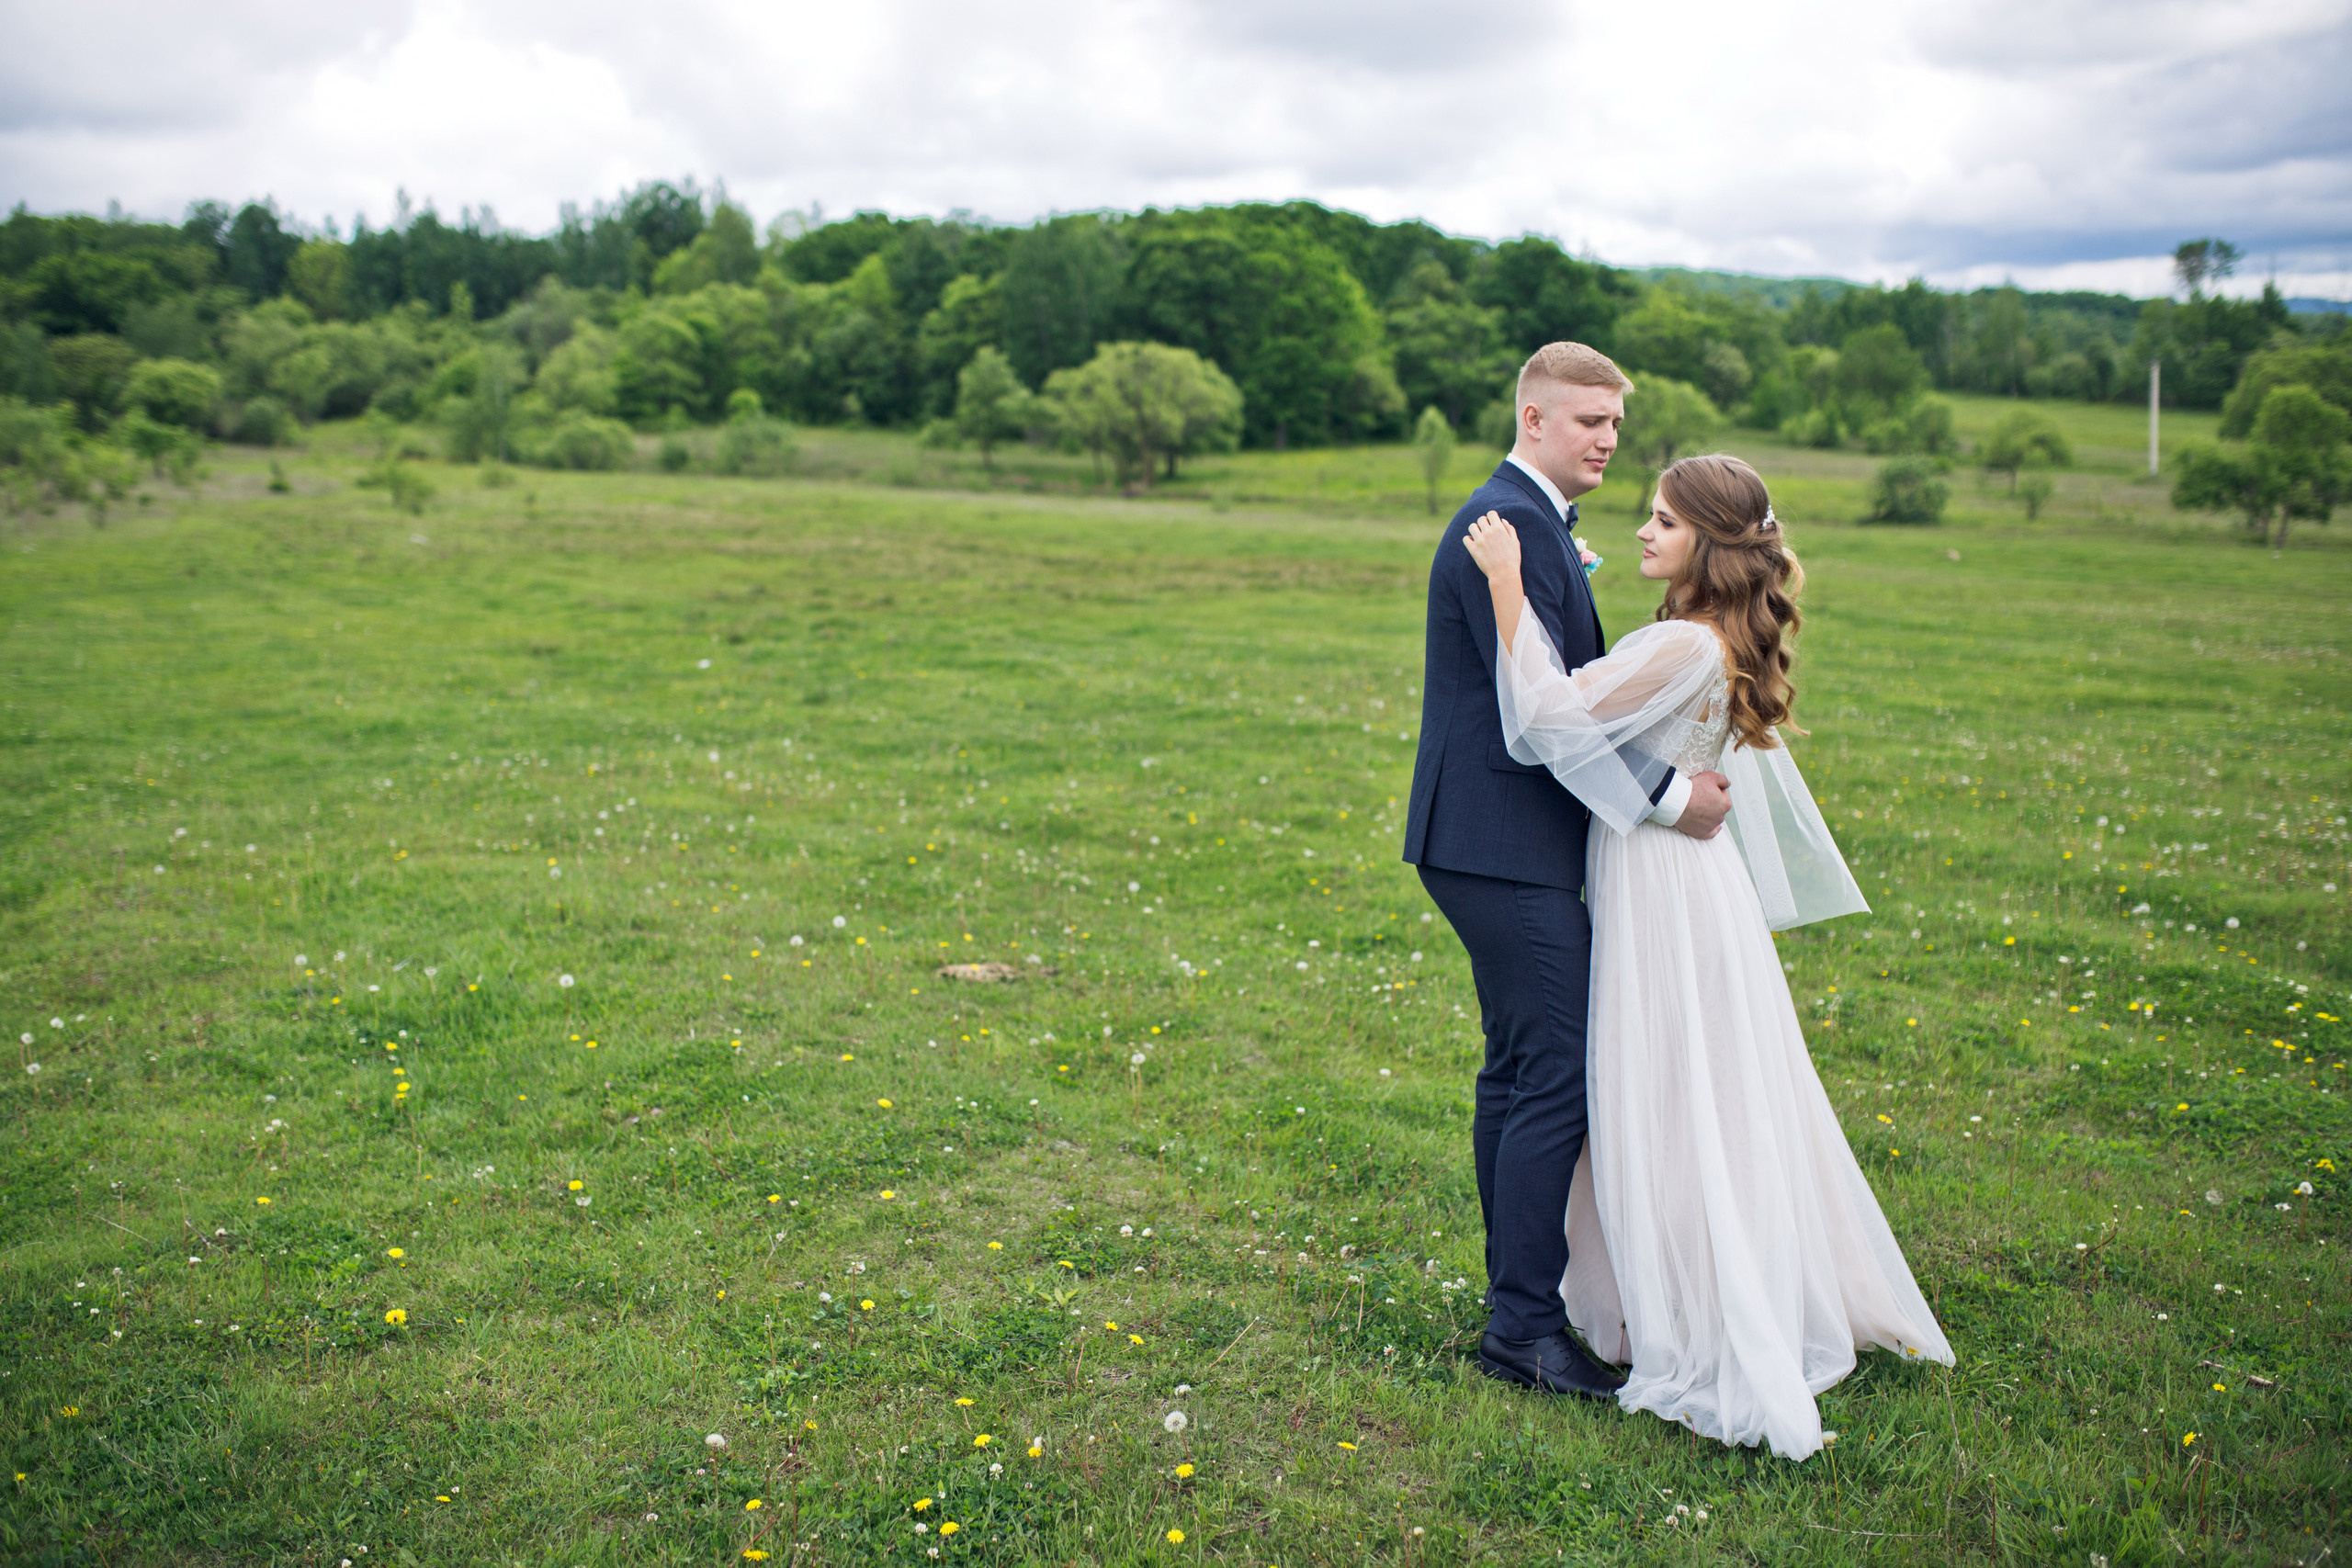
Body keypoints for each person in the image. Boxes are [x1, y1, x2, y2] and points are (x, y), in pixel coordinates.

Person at [1458, 450, 1953, 1461]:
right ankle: (1678, 1281)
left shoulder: (1685, 643)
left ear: (1713, 547)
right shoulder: (1705, 636)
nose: (1644, 531)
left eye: (1665, 521)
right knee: (1699, 1089)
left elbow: (1547, 716)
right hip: (1688, 879)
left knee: (1673, 1090)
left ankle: (1695, 1303)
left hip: (1664, 891)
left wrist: (1511, 584)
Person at [1403, 344, 1732, 1401]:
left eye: (1615, 424)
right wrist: (1674, 799)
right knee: (1554, 1073)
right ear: (1534, 419)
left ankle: (1518, 1310)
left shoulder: (1533, 525)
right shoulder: (1504, 527)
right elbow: (1545, 722)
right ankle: (1524, 1330)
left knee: (1519, 1070)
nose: (1607, 440)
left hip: (1491, 840)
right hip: (1498, 842)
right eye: (1589, 420)